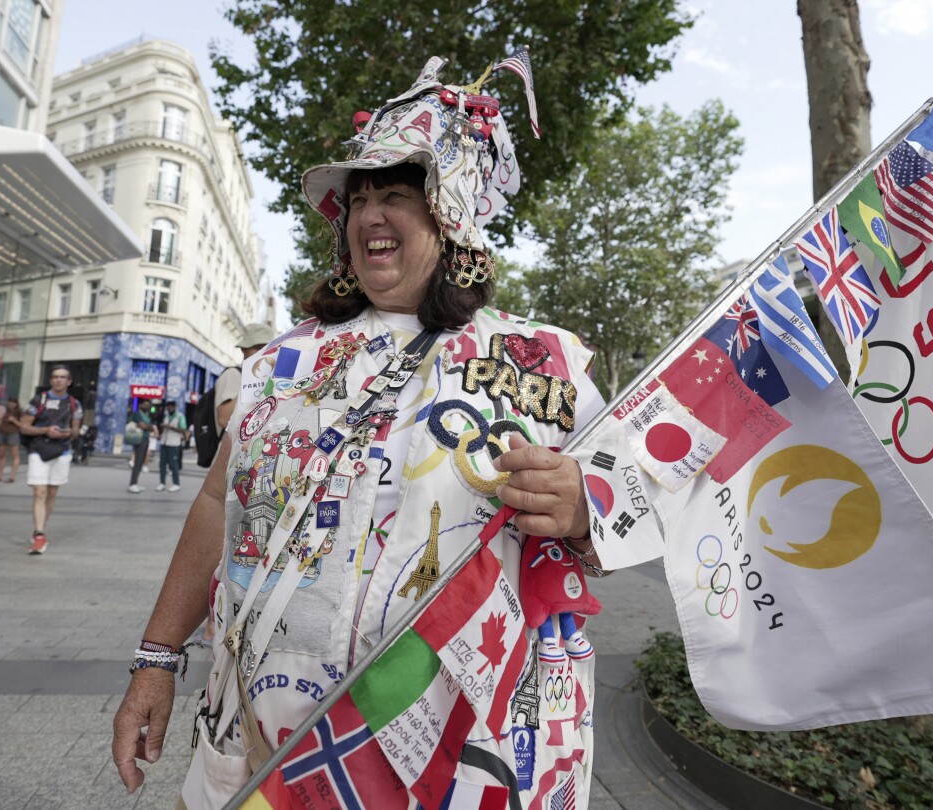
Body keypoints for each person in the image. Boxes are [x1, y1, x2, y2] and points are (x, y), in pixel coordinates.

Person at [112, 57, 609, 808]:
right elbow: (218, 504)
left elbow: (628, 516)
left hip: (455, 749)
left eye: (397, 196)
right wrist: (156, 657)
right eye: (359, 199)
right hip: (271, 738)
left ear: (452, 215)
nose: (370, 215)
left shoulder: (545, 362)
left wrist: (582, 510)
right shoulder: (281, 362)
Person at [19, 366, 83, 555]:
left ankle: (40, 530)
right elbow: (24, 427)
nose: (59, 380)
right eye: (55, 377)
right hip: (39, 449)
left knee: (52, 493)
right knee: (40, 492)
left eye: (63, 377)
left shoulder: (74, 404)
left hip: (62, 451)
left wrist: (69, 433)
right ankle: (39, 534)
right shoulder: (39, 400)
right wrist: (45, 431)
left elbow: (76, 430)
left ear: (69, 381)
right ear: (51, 380)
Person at [214, 324, 276, 432]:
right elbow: (224, 419)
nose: (263, 352)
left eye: (269, 348)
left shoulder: (269, 377)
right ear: (244, 349)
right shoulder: (233, 374)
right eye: (258, 348)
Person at [156, 400, 187, 492]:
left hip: (173, 444)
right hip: (164, 443)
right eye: (168, 407)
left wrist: (170, 427)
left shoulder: (180, 417)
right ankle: (162, 483)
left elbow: (183, 429)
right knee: (162, 464)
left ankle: (176, 483)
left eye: (171, 407)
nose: (169, 408)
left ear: (174, 407)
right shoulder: (166, 416)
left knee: (173, 465)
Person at [126, 405, 157, 494]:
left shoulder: (147, 415)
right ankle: (132, 484)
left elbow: (148, 426)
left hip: (146, 439)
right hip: (139, 439)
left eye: (148, 403)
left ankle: (135, 483)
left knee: (141, 461)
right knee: (138, 461)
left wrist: (148, 427)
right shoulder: (138, 414)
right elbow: (142, 425)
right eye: (145, 403)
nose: (146, 405)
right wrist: (149, 427)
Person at [0, 398, 23, 483]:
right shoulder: (4, 411)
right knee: (1, 455)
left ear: (16, 404)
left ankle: (12, 476)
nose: (11, 404)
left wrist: (14, 420)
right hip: (2, 433)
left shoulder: (19, 412)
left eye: (13, 402)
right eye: (10, 402)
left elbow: (22, 425)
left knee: (14, 455)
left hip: (13, 433)